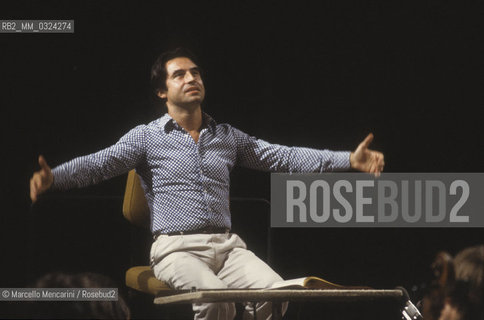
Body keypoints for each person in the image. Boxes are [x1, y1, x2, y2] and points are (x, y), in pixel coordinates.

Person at [30, 47, 385, 320]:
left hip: (229, 248)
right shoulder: (146, 138)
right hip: (176, 250)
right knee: (218, 301)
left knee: (277, 295)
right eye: (179, 74)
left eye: (195, 72)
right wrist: (54, 178)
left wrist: (347, 160)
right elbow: (99, 164)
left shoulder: (227, 136)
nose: (191, 78)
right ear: (161, 91)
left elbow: (283, 156)